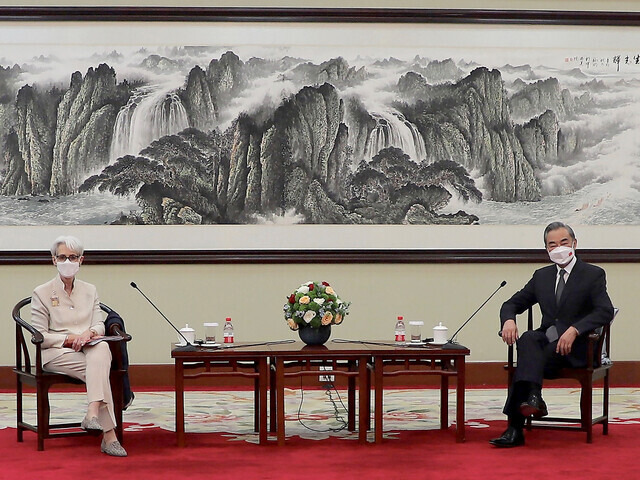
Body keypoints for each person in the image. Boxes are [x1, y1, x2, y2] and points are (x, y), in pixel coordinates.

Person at [490, 222, 614, 448]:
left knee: (528, 360)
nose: (558, 248)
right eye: (552, 244)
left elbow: (604, 311)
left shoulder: (593, 274)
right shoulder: (542, 276)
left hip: (578, 347)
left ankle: (515, 428)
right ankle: (534, 397)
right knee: (528, 338)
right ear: (546, 249)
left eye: (563, 242)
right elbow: (512, 303)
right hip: (547, 344)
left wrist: (575, 329)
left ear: (575, 244)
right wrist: (508, 320)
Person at [31, 235, 127, 457]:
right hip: (56, 353)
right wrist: (68, 339)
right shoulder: (41, 292)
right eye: (62, 257)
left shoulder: (90, 290)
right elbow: (39, 336)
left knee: (101, 349)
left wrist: (90, 333)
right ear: (53, 260)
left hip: (89, 348)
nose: (67, 262)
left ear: (81, 260)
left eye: (72, 257)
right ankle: (109, 436)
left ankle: (92, 413)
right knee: (99, 372)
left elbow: (99, 323)